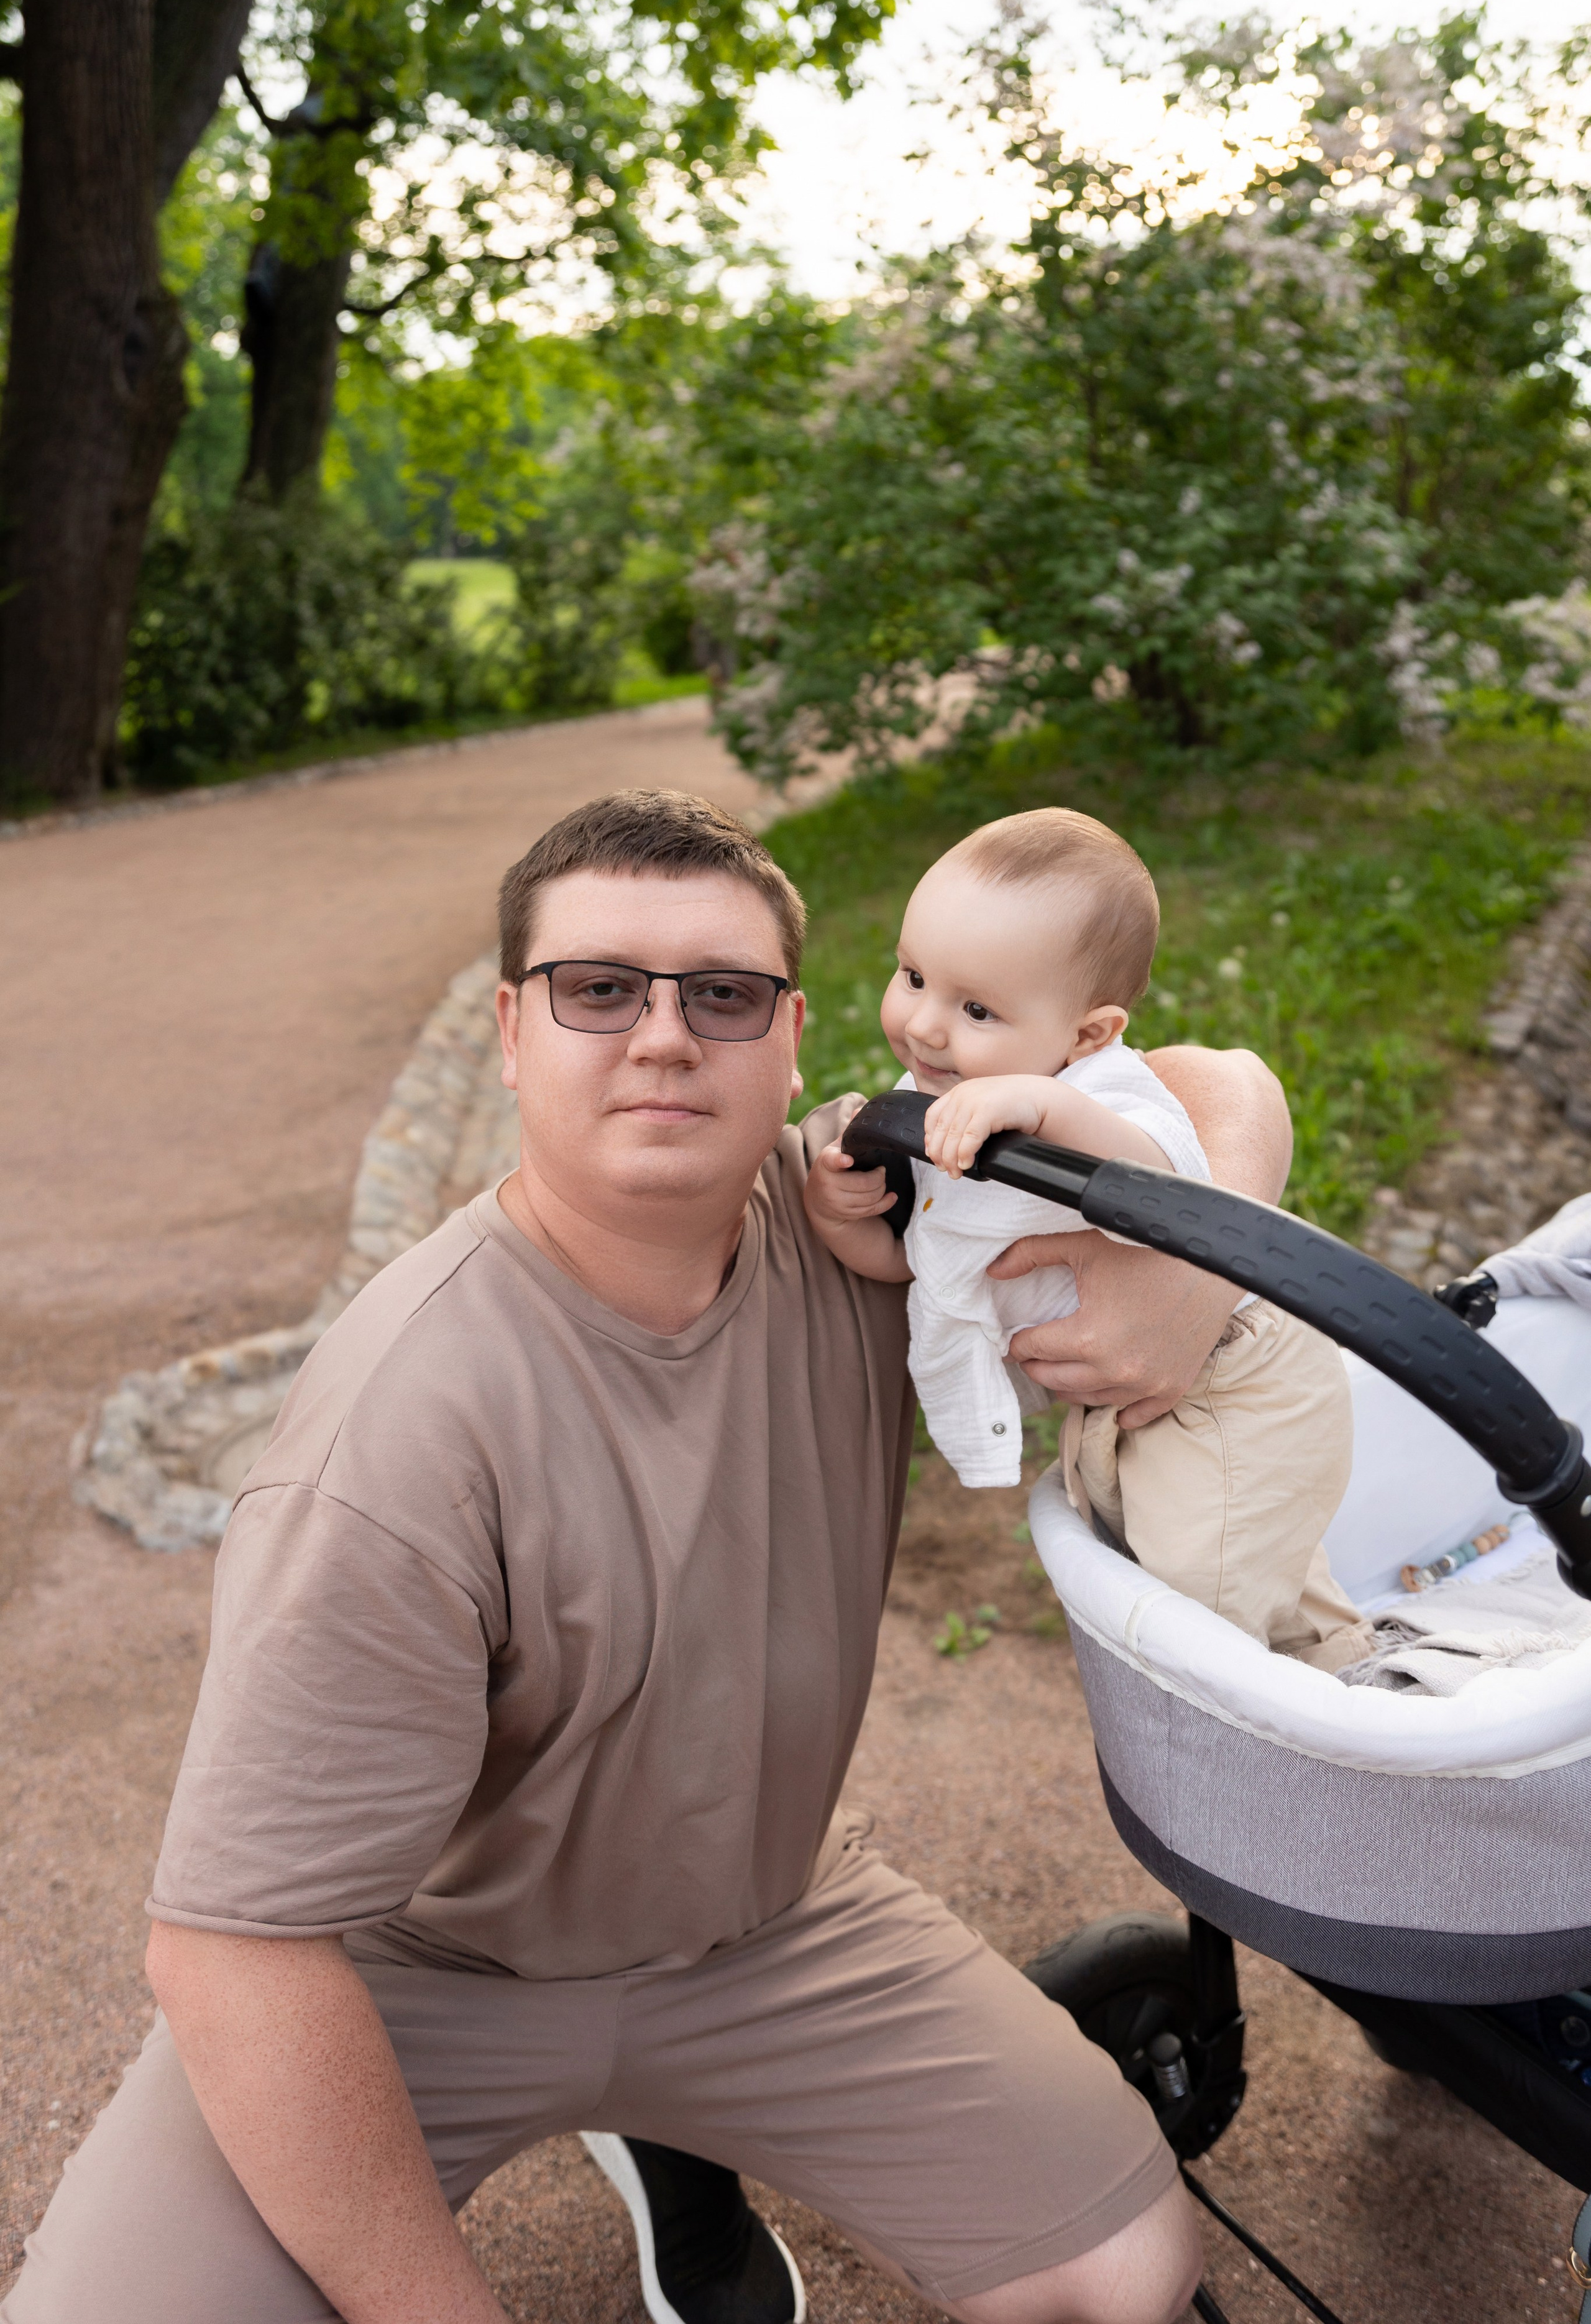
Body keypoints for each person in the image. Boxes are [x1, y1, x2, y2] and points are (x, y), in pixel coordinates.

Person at [4, 788, 1296, 2324]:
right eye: (598, 988)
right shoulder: (393, 1443)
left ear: (798, 1033)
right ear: (507, 1030)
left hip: (768, 1925)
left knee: (1125, 2279)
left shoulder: (866, 1208)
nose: (665, 1036)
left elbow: (1216, 1076)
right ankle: (645, 2125)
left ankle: (675, 2112)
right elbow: (234, 1955)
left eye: (723, 994)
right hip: (425, 1971)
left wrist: (1196, 1270)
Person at [804, 807, 1373, 1673]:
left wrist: (1046, 1109)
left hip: (1237, 1370)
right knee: (1234, 1560)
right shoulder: (952, 1095)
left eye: (977, 1007)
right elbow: (920, 1263)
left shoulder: (1107, 1096)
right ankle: (1349, 1673)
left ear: (1087, 1033)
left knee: (1197, 1606)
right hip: (1142, 1399)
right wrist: (841, 1218)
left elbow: (1170, 1190)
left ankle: (1260, 1749)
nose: (923, 1025)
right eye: (913, 975)